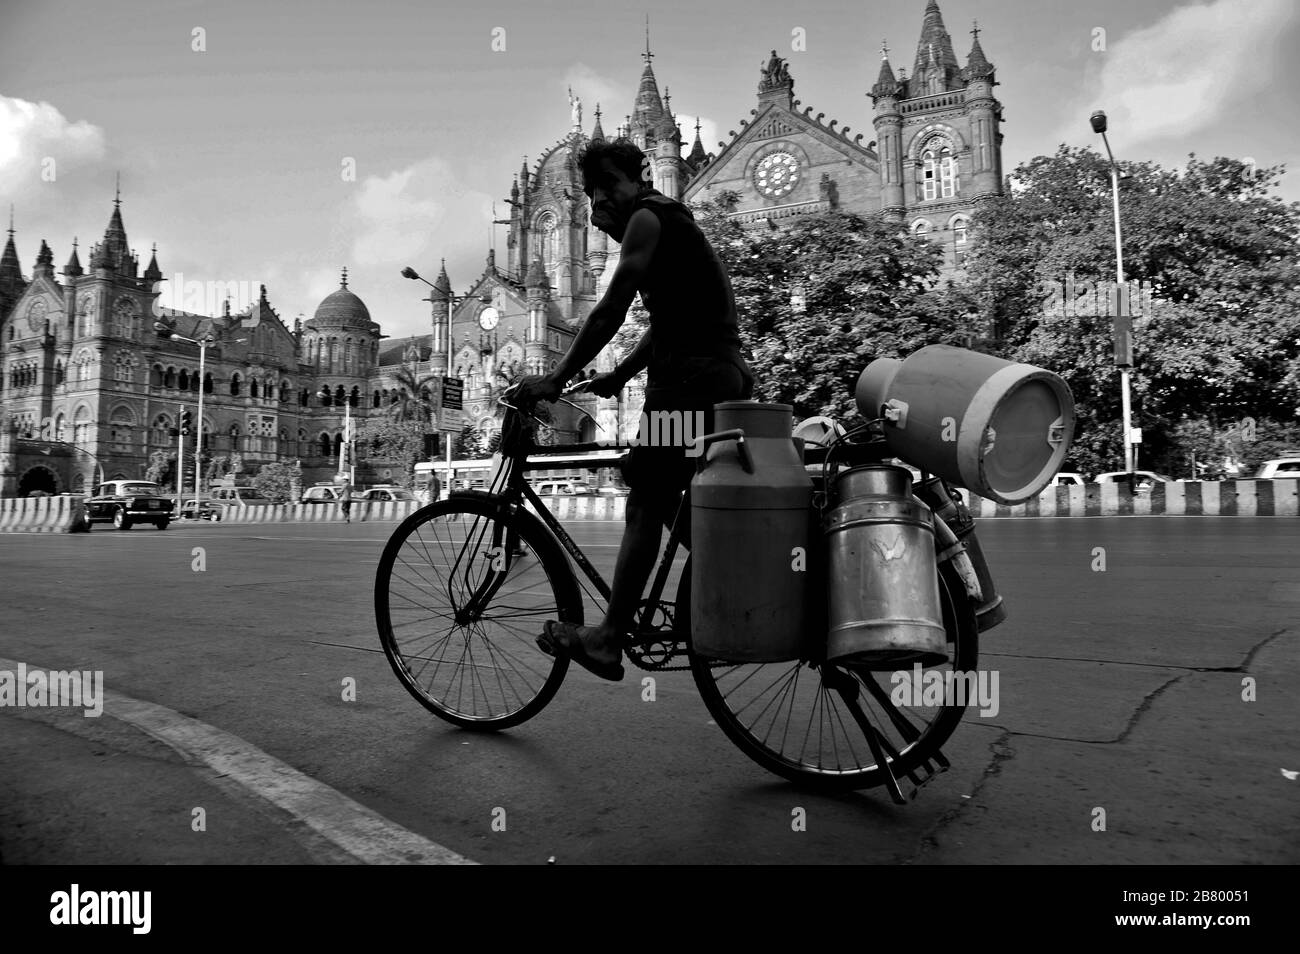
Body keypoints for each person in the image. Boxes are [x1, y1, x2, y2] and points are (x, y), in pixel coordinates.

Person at [511, 137, 754, 681]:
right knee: (645, 474)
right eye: (594, 202)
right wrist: (619, 374)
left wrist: (556, 377)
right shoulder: (672, 219)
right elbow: (671, 321)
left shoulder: (647, 219)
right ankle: (731, 563)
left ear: (622, 184)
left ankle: (608, 637)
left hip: (690, 384)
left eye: (602, 195)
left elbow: (609, 312)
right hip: (718, 375)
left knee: (645, 501)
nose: (600, 212)